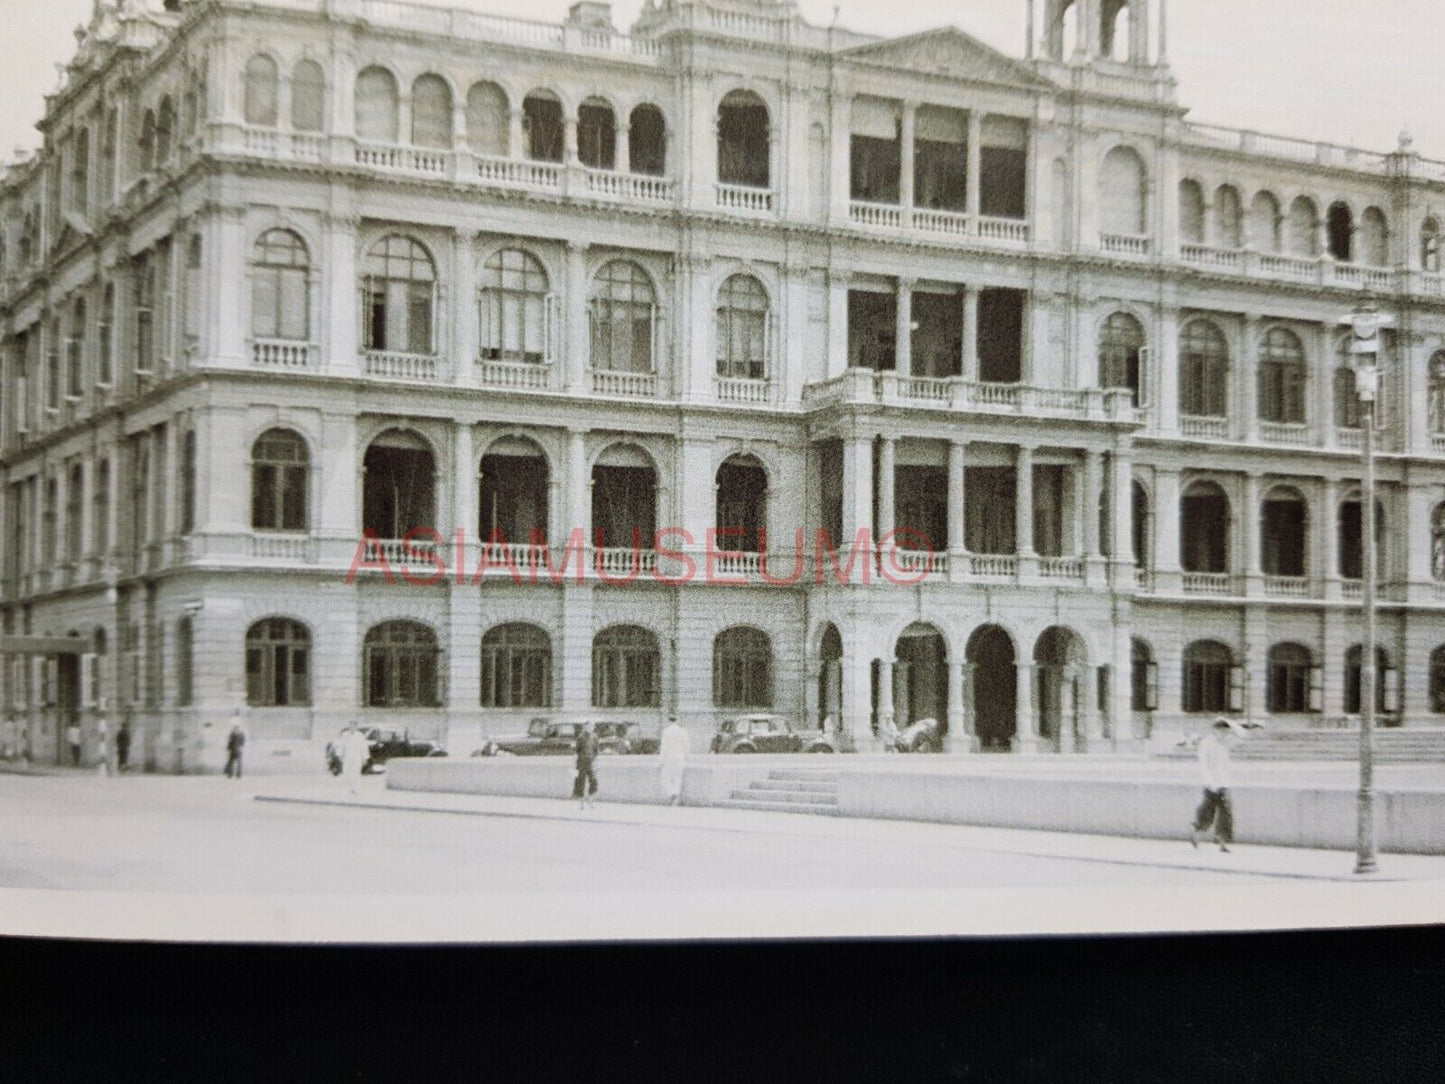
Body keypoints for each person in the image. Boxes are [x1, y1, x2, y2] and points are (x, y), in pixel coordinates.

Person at [1192, 718, 1239, 853]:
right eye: (1221, 730)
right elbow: (1203, 765)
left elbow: (1242, 734)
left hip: (1224, 784)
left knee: (1226, 815)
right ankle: (1196, 833)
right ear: (1215, 730)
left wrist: (1230, 722)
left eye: (1226, 730)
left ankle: (1223, 842)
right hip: (1211, 785)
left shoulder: (1226, 742)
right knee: (1207, 813)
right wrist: (1210, 782)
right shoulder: (1206, 743)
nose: (1224, 733)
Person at [658, 715, 691, 807]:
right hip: (679, 758)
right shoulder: (682, 731)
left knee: (668, 777)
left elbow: (663, 747)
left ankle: (671, 794)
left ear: (668, 720)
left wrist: (661, 760)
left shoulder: (666, 731)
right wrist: (686, 756)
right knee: (678, 777)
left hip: (669, 758)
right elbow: (686, 745)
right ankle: (676, 795)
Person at [338, 722, 370, 797]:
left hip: (357, 756)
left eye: (353, 726)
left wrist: (365, 758)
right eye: (350, 726)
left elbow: (364, 747)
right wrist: (340, 754)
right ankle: (348, 789)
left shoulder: (360, 735)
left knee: (356, 773)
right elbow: (341, 745)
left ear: (356, 727)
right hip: (347, 756)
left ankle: (356, 789)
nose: (352, 728)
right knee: (347, 772)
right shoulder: (345, 735)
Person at [573, 722, 600, 809]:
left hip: (591, 763)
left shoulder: (595, 737)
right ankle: (581, 803)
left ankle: (590, 800)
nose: (590, 728)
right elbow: (577, 750)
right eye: (588, 726)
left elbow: (596, 750)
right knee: (581, 783)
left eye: (592, 726)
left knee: (594, 782)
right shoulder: (580, 738)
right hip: (582, 763)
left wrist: (594, 761)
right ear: (585, 727)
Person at [224, 713, 248, 780]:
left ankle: (230, 774)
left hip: (233, 749)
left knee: (231, 761)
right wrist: (241, 746)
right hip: (239, 749)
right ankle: (239, 774)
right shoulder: (241, 732)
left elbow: (230, 741)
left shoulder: (232, 733)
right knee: (239, 762)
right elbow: (243, 741)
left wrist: (228, 748)